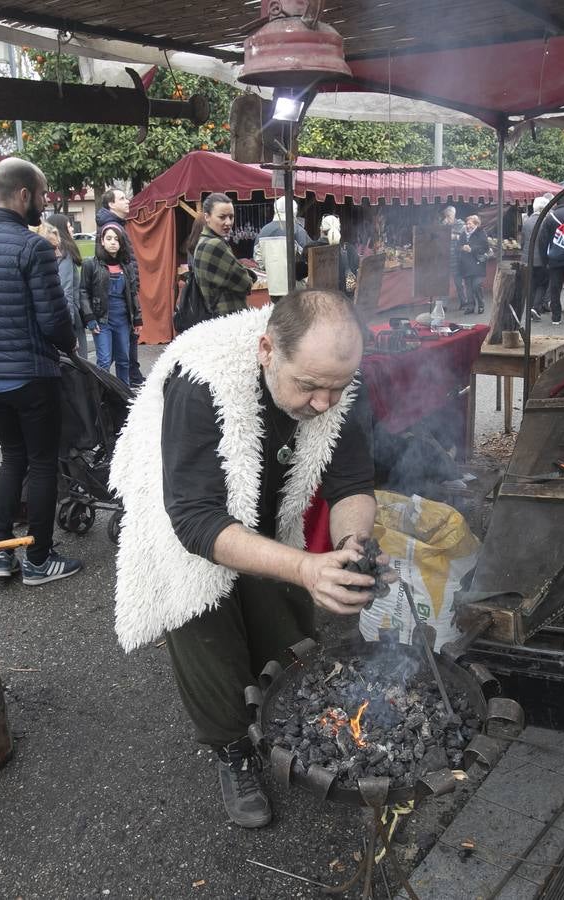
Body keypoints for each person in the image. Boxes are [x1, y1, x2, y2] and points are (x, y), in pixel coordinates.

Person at [110, 290, 387, 828]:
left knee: (284, 629)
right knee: (208, 637)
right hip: (180, 512)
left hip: (265, 505)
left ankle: (285, 728)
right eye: (307, 387)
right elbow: (193, 519)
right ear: (266, 349)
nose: (324, 403)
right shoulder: (201, 380)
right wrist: (306, 566)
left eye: (336, 387)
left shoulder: (335, 379)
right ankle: (233, 750)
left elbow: (351, 478)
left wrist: (353, 545)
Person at [0, 157, 81, 585]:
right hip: (32, 376)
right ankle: (39, 559)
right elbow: (54, 320)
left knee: (12, 459)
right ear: (24, 195)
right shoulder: (32, 246)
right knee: (42, 464)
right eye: (41, 194)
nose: (44, 202)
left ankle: (2, 553)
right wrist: (67, 345)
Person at [81, 222, 140, 384]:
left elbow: (133, 293)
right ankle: (102, 396)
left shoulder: (126, 266)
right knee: (104, 362)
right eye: (109, 238)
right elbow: (83, 292)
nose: (113, 242)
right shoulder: (90, 264)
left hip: (122, 320)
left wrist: (137, 319)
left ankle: (124, 394)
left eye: (116, 239)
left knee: (123, 359)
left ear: (121, 243)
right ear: (102, 241)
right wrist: (90, 318)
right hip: (102, 321)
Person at [96, 189, 144, 387]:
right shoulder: (112, 227)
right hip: (113, 304)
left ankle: (127, 382)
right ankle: (112, 388)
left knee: (122, 352)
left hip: (123, 299)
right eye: (122, 199)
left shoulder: (117, 225)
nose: (127, 201)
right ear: (110, 205)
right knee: (109, 357)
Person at [191, 192, 255, 317]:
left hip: (219, 318)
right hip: (228, 319)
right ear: (207, 217)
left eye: (231, 217)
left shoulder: (204, 241)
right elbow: (246, 283)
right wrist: (248, 273)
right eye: (222, 217)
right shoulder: (214, 245)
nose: (228, 222)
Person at [537, 192, 564, 324]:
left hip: (555, 258)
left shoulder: (549, 217)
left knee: (555, 288)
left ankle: (556, 317)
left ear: (556, 203)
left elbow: (542, 241)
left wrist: (545, 260)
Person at [45, 213, 86, 358]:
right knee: (79, 365)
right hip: (69, 318)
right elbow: (66, 289)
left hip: (58, 316)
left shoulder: (50, 252)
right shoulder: (64, 252)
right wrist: (69, 326)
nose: (73, 230)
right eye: (69, 227)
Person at [308, 214, 359, 296]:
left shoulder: (310, 248)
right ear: (339, 229)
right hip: (344, 300)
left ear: (321, 229)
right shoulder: (350, 249)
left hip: (317, 300)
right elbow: (357, 269)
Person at [520, 195, 552, 316]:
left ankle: (530, 308)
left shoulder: (527, 221)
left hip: (527, 258)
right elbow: (546, 241)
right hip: (541, 259)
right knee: (543, 283)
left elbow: (522, 241)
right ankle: (536, 306)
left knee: (531, 284)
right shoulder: (545, 221)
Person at [457, 214, 490, 315]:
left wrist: (471, 248)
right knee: (468, 287)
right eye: (467, 223)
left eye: (470, 223)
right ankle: (470, 306)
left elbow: (485, 247)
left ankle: (481, 304)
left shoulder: (481, 233)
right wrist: (462, 248)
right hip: (466, 264)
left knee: (476, 285)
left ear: (476, 224)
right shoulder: (463, 234)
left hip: (477, 263)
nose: (468, 226)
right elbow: (458, 246)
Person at [441, 206, 468, 309]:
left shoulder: (460, 224)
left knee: (459, 283)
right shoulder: (444, 224)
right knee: (444, 283)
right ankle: (443, 305)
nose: (447, 218)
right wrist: (444, 228)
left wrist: (454, 236)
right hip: (446, 258)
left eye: (449, 216)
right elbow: (440, 236)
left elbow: (464, 237)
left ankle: (464, 302)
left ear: (454, 215)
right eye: (446, 216)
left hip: (457, 258)